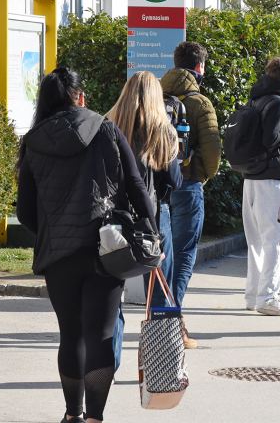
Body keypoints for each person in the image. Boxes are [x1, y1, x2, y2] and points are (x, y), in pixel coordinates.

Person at [17, 67, 156, 423]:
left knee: (71, 334)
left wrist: (51, 232)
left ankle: (72, 414)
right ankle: (95, 416)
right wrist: (150, 229)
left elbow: (26, 211)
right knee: (101, 334)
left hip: (58, 254)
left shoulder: (33, 140)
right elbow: (137, 186)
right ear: (80, 96)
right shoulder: (105, 129)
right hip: (106, 249)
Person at [105, 71, 183, 368]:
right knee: (161, 292)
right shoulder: (164, 131)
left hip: (112, 219)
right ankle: (161, 365)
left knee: (111, 296)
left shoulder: (108, 126)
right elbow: (173, 182)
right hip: (152, 219)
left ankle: (108, 364)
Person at [160, 42, 221, 345]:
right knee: (184, 253)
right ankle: (173, 323)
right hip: (187, 183)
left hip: (158, 186)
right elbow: (212, 152)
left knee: (163, 256)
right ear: (199, 68)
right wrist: (200, 177)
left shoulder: (155, 94)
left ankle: (160, 317)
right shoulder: (200, 102)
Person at [240, 55, 280, 316]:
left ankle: (254, 295)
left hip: (251, 177)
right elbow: (271, 139)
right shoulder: (278, 103)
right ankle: (269, 297)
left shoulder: (255, 99)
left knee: (255, 240)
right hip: (271, 178)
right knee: (274, 239)